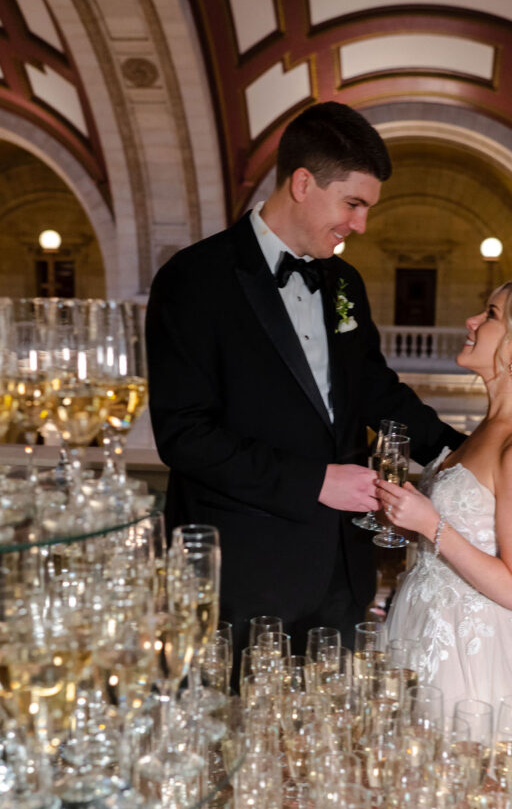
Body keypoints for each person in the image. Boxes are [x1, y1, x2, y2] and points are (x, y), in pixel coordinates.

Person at [146, 101, 464, 675]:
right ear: (302, 183)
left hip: (341, 572)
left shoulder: (343, 282)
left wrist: (462, 452)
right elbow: (184, 436)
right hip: (242, 575)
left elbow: (374, 388)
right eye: (353, 203)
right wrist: (315, 481)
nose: (361, 224)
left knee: (321, 748)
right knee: (237, 749)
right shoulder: (193, 279)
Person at [380, 280, 512, 764]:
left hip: (470, 654)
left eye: (490, 314)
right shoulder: (487, 429)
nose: (472, 322)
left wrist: (432, 525)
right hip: (420, 628)